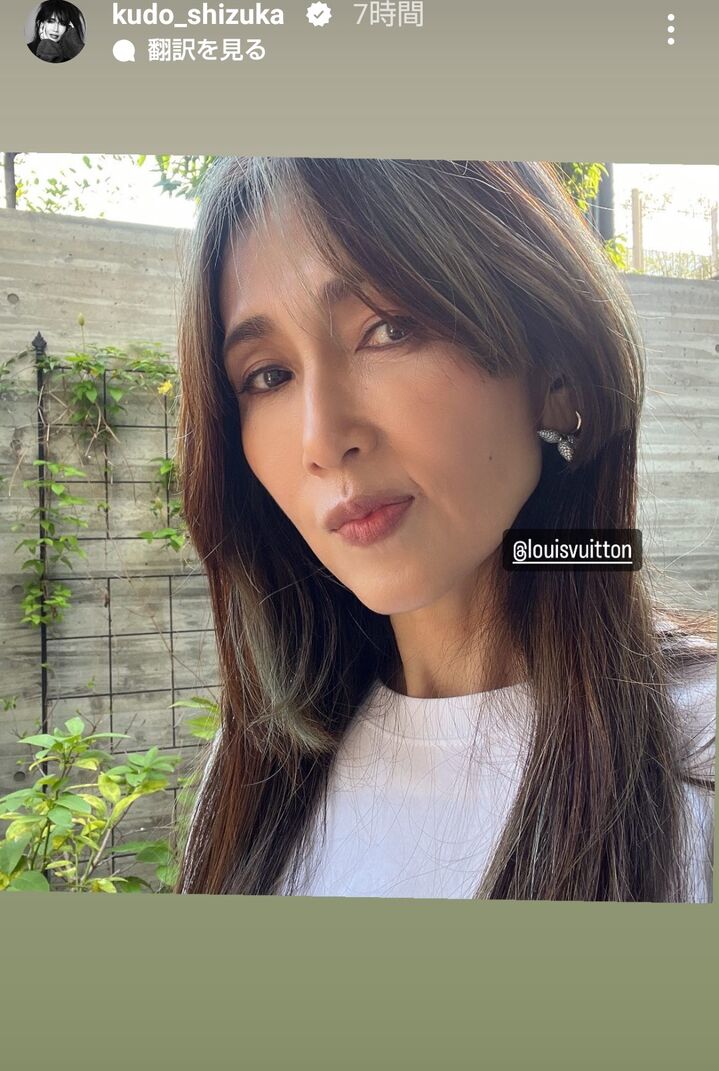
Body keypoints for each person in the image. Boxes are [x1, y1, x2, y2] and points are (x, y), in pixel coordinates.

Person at [175, 158, 716, 901]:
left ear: (557, 378)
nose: (321, 440)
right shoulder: (255, 773)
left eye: (387, 329)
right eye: (268, 376)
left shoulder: (698, 756)